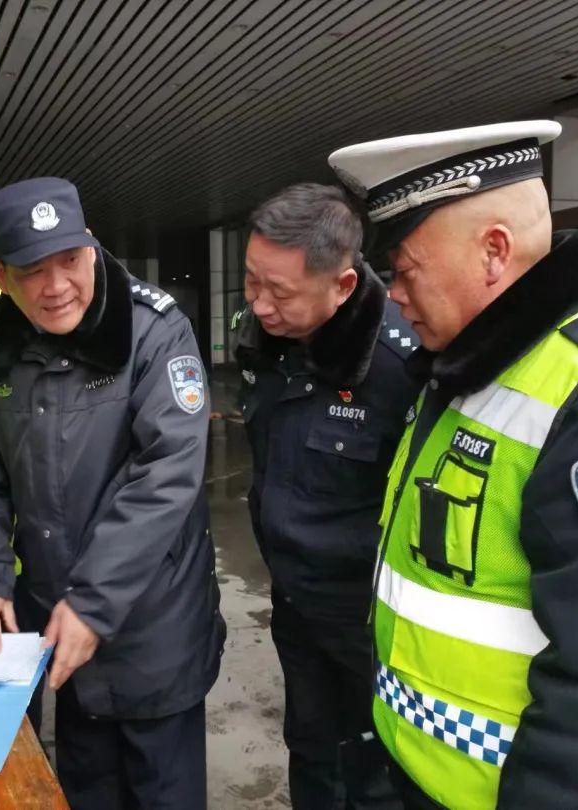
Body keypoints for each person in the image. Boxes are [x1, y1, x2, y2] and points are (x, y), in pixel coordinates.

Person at [328, 120, 578, 809]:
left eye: (405, 270)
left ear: (494, 252)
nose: (394, 293)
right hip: (418, 771)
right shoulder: (468, 366)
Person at [0, 177, 225, 809]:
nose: (57, 286)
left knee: (165, 794)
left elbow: (166, 473)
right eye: (32, 271)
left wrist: (93, 603)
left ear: (92, 247)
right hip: (57, 623)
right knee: (84, 788)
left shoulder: (154, 331)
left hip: (154, 624)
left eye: (70, 260)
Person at [236, 183, 418, 809]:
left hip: (370, 621)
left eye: (279, 292)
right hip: (294, 600)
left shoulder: (402, 363)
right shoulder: (266, 337)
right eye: (251, 281)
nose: (259, 304)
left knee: (376, 772)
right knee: (311, 749)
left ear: (342, 286)